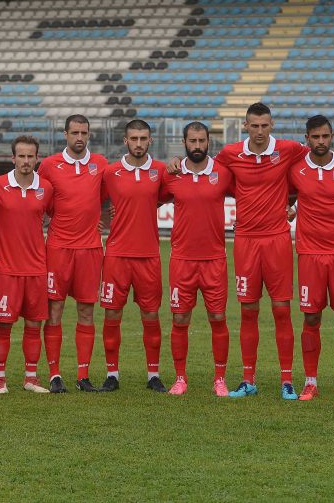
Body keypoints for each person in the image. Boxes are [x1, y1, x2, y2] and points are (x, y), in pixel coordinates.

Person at [167, 103, 334, 399]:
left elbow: (320, 151)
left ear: (272, 125)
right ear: (245, 126)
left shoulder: (287, 150)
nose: (259, 131)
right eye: (254, 126)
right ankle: (248, 380)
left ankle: (287, 381)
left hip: (277, 239)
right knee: (248, 311)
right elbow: (202, 164)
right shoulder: (230, 154)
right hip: (245, 241)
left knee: (281, 310)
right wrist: (177, 160)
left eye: (264, 125)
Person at [287, 115, 334, 402]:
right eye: (315, 137)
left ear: (332, 136)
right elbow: (285, 199)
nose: (320, 141)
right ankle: (310, 382)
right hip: (309, 253)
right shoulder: (295, 168)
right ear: (306, 138)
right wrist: (289, 210)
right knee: (311, 316)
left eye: (325, 136)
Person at [159, 122, 234, 397]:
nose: (198, 145)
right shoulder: (172, 174)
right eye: (193, 141)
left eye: (202, 140)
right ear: (184, 142)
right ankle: (180, 378)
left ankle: (220, 379)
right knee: (180, 318)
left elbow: (251, 194)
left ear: (209, 141)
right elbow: (150, 200)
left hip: (214, 259)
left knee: (218, 317)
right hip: (182, 260)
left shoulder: (223, 173)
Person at [37, 115, 107, 393]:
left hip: (90, 249)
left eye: (84, 133)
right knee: (54, 309)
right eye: (75, 133)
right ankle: (54, 374)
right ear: (65, 134)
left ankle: (83, 375)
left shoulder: (100, 164)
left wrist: (99, 218)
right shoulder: (49, 165)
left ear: (89, 135)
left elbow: (109, 197)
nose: (80, 137)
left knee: (87, 310)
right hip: (58, 248)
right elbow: (38, 199)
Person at [98, 120, 167, 393]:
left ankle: (153, 375)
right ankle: (112, 374)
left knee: (151, 314)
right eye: (134, 139)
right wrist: (104, 216)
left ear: (150, 140)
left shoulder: (161, 171)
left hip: (149, 255)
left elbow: (168, 196)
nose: (139, 143)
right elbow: (92, 198)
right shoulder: (110, 172)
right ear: (125, 141)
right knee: (112, 313)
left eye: (143, 138)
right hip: (117, 255)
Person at [0, 135, 54, 394]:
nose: (26, 161)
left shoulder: (46, 188)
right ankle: (0, 379)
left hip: (37, 268)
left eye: (30, 156)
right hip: (5, 269)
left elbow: (59, 215)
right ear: (13, 158)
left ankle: (31, 378)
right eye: (21, 156)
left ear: (37, 158)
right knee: (4, 324)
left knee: (34, 325)